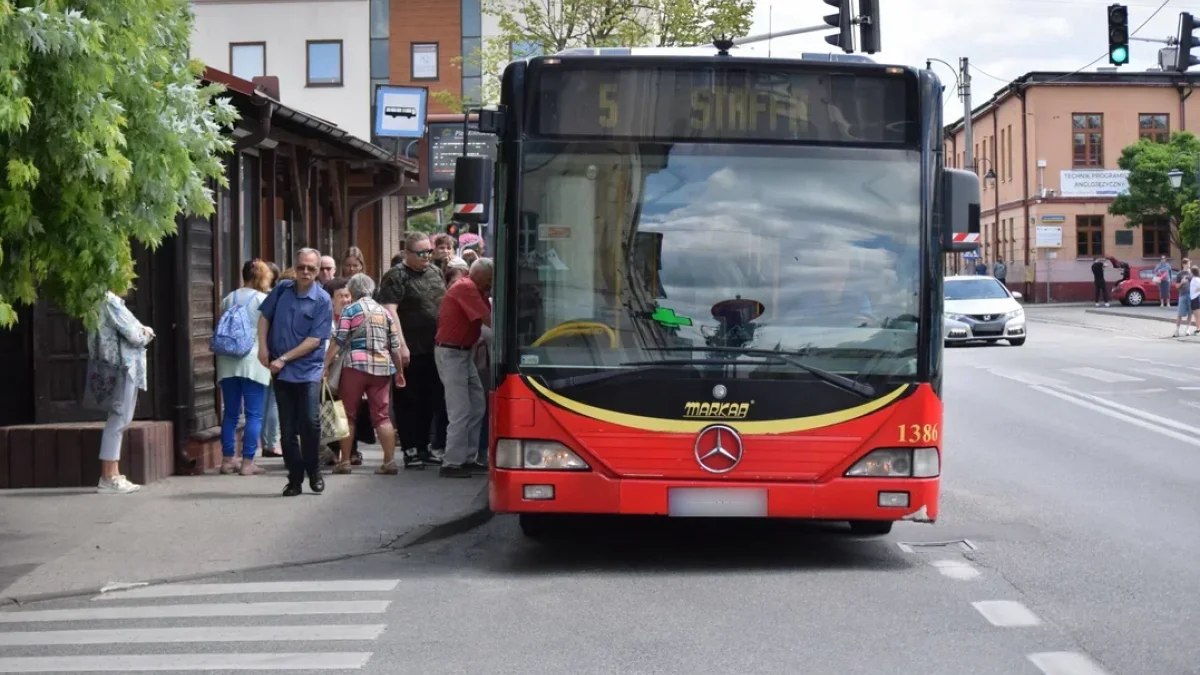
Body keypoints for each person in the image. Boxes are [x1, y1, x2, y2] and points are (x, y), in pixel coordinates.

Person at [258, 248, 334, 497]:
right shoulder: (282, 290)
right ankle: (294, 478)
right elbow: (264, 318)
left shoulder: (322, 299)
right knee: (288, 428)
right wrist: (262, 347)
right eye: (302, 267)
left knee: (310, 424)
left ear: (317, 270)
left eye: (311, 268)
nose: (305, 272)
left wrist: (283, 358)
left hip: (307, 369)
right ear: (295, 266)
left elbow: (315, 340)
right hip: (280, 369)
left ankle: (314, 470)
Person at [325, 274, 406, 474]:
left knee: (348, 415)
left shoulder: (350, 310)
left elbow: (339, 339)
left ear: (351, 291)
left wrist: (325, 364)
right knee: (382, 416)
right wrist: (400, 373)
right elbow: (395, 346)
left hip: (354, 367)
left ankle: (344, 462)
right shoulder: (385, 313)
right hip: (381, 368)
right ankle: (389, 462)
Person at [376, 232, 441, 469]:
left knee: (430, 398)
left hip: (434, 347)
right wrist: (401, 345)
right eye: (421, 253)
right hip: (410, 349)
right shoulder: (396, 276)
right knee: (408, 400)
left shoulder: (435, 271)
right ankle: (411, 448)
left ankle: (424, 447)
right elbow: (390, 311)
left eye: (429, 252)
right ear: (408, 253)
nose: (426, 257)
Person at [88, 289, 155, 494]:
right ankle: (108, 476)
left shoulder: (102, 300)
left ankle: (113, 473)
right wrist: (147, 332)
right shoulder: (111, 302)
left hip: (116, 366)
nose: (131, 285)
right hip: (122, 367)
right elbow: (135, 334)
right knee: (118, 419)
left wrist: (142, 330)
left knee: (119, 419)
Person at [434, 258, 494, 478]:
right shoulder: (467, 288)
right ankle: (451, 462)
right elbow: (489, 319)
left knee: (477, 404)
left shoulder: (474, 288)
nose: (490, 284)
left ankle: (467, 457)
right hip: (451, 353)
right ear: (478, 275)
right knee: (460, 410)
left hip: (462, 352)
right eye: (489, 279)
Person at [215, 260, 273, 475]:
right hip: (254, 361)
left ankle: (227, 459)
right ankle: (248, 463)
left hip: (227, 360)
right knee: (254, 414)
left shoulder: (228, 298)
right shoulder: (262, 300)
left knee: (230, 413)